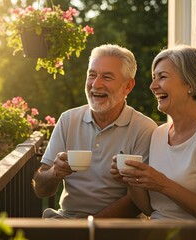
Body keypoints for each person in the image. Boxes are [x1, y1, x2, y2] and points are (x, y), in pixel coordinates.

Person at [111, 45, 196, 220]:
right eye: (153, 78)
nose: (152, 86)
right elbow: (150, 209)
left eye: (162, 77)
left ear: (191, 84)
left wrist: (164, 185)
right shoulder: (158, 134)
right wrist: (131, 182)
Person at [32, 44, 158, 219]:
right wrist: (54, 172)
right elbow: (40, 189)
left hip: (120, 227)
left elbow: (138, 201)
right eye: (92, 75)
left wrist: (87, 228)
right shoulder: (68, 119)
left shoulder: (145, 128)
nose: (96, 84)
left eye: (107, 77)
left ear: (127, 86)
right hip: (67, 219)